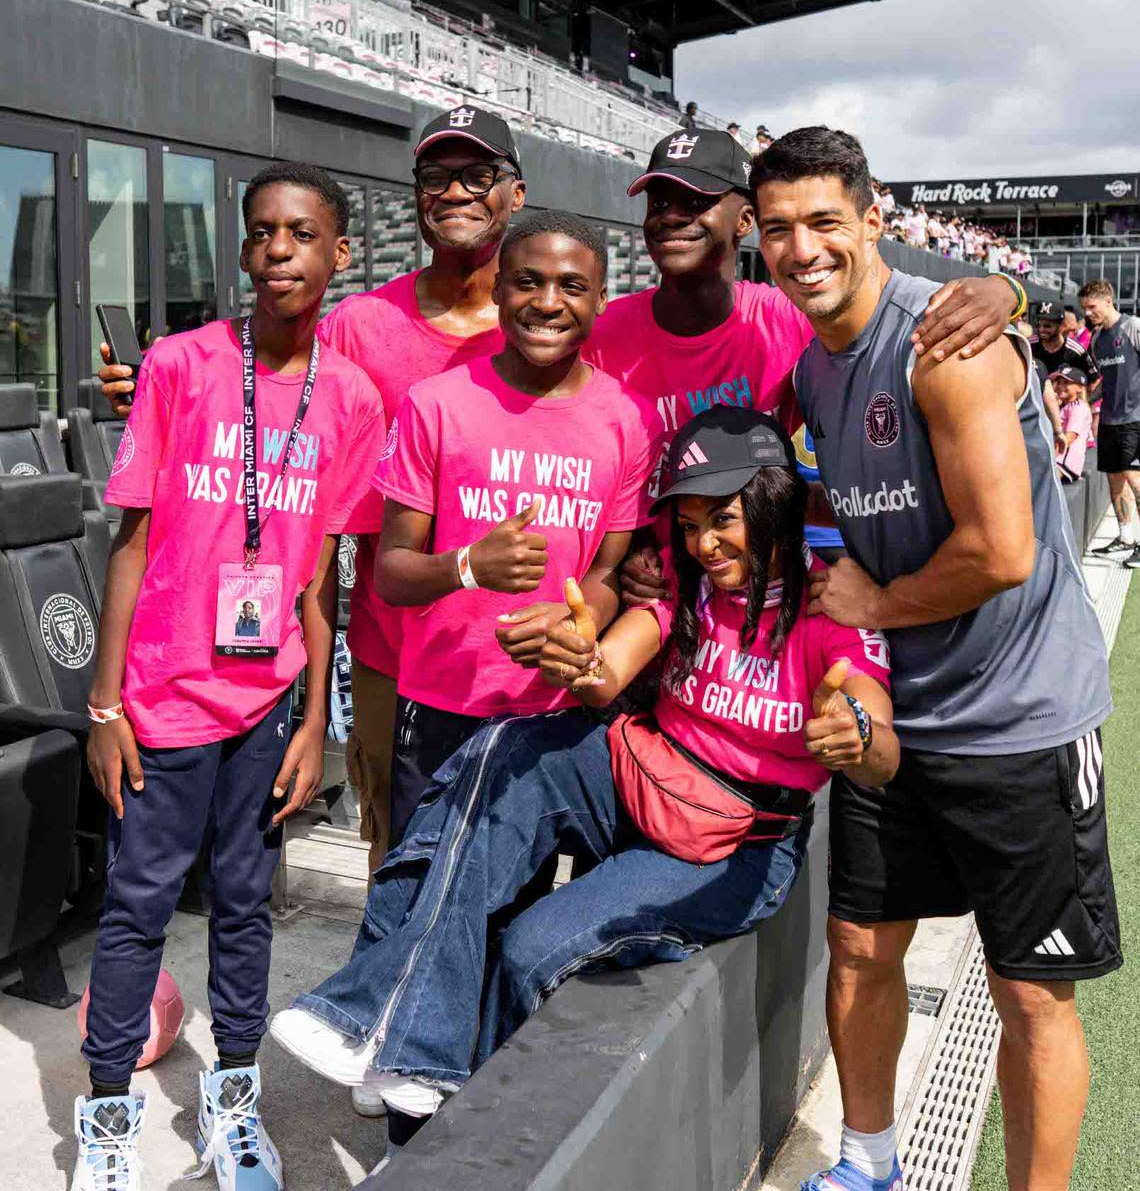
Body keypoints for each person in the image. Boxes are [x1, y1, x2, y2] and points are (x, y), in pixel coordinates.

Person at [269, 406, 898, 1158]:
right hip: (645, 775)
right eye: (691, 523)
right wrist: (576, 659)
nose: (705, 542)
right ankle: (409, 1049)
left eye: (723, 519)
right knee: (500, 754)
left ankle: (449, 1128)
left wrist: (855, 734)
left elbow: (882, 746)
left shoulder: (827, 606)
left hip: (727, 843)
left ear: (771, 499)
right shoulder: (686, 582)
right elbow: (607, 678)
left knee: (532, 946)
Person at [752, 128, 1118, 1191]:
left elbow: (1000, 551)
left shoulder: (944, 344)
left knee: (1031, 994)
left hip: (1019, 723)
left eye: (825, 221)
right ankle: (867, 1163)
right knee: (864, 953)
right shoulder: (814, 366)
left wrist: (879, 599)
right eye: (779, 229)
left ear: (875, 219)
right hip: (892, 720)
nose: (802, 247)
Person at [98, 108, 526, 899]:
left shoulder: (544, 324)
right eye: (437, 176)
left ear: (516, 192)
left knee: (511, 855)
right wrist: (153, 386)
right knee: (396, 856)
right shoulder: (364, 325)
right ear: (417, 198)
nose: (457, 190)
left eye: (479, 173)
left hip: (511, 647)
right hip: (390, 646)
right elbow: (264, 373)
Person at [73, 163, 387, 1191]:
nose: (278, 251)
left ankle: (232, 1106)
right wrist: (106, 702)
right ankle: (108, 1123)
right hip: (162, 699)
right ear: (243, 250)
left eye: (301, 234)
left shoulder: (349, 397)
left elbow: (321, 575)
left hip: (265, 705)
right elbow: (132, 540)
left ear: (340, 255)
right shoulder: (183, 365)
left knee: (247, 909)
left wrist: (313, 722)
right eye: (261, 233)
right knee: (136, 910)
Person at [595, 127, 1026, 609]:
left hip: (765, 605)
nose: (672, 217)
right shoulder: (601, 334)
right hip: (649, 607)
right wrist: (628, 551)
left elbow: (1000, 554)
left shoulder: (800, 323)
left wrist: (1007, 289)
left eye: (695, 203)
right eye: (659, 203)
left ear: (744, 222)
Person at [364, 209, 661, 843]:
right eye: (527, 282)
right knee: (419, 904)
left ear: (601, 300)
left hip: (553, 712)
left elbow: (607, 572)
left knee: (516, 914)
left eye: (572, 287)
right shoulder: (435, 404)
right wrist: (468, 565)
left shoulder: (628, 420)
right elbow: (390, 572)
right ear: (498, 288)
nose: (548, 303)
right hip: (441, 705)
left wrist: (579, 620)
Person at [1080, 278, 1140, 568]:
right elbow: (1108, 379)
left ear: (1107, 300)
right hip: (1109, 421)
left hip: (1135, 419)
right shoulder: (1096, 340)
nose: (1088, 313)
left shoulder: (1133, 327)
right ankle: (1125, 537)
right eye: (1084, 309)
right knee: (1115, 480)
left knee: (1136, 480)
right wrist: (1088, 401)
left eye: (1092, 307)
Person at [1031, 299, 1100, 394]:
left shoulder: (1076, 351)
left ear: (1062, 325)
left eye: (1047, 326)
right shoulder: (1028, 345)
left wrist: (1081, 403)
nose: (1041, 329)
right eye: (1038, 325)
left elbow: (1094, 380)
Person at [1051, 364, 1093, 483]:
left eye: (1066, 383)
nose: (1060, 386)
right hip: (1059, 461)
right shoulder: (1065, 406)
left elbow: (1069, 437)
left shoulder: (1078, 407)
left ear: (1079, 388)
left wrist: (1049, 458)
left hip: (1064, 463)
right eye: (1059, 382)